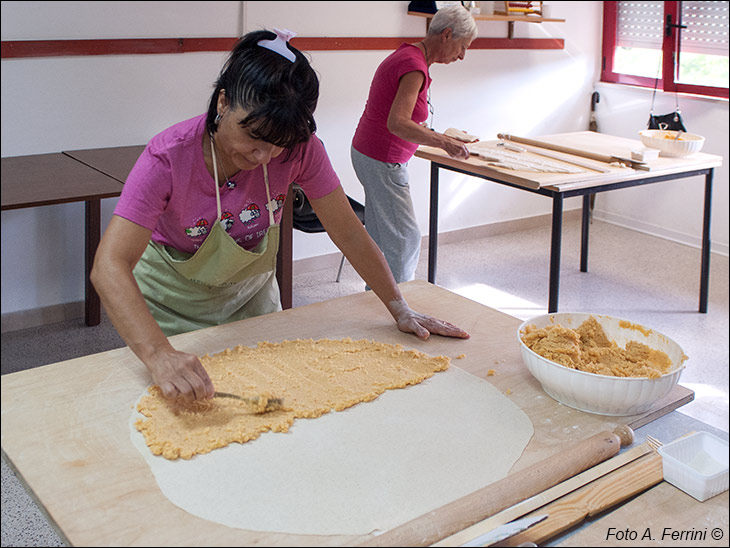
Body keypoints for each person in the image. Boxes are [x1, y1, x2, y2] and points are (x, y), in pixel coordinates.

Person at [91, 29, 469, 403]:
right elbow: (109, 265)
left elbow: (349, 232)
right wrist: (158, 354)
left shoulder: (301, 149)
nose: (263, 157)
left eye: (278, 145)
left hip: (250, 302)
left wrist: (397, 306)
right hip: (171, 308)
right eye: (253, 137)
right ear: (223, 102)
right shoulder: (169, 157)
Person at [351, 4, 477, 283]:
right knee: (404, 241)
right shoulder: (413, 66)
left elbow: (401, 118)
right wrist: (443, 142)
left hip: (370, 154)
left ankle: (378, 301)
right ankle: (399, 305)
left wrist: (442, 137)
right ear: (446, 34)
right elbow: (397, 123)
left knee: (383, 238)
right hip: (381, 160)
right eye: (462, 47)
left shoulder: (410, 55)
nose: (462, 56)